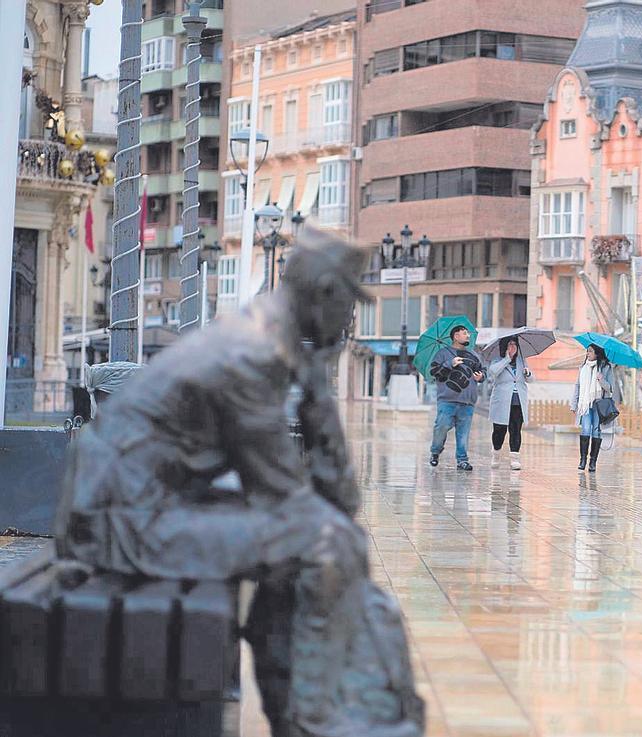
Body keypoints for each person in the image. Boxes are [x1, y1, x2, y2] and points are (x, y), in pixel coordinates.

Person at [55, 232, 424, 737]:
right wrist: (318, 397)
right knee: (329, 545)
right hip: (120, 522)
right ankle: (315, 714)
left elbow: (331, 498)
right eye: (347, 300)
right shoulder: (253, 354)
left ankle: (297, 700)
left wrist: (317, 394)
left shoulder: (264, 333)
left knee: (322, 537)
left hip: (136, 503)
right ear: (321, 292)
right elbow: (289, 496)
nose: (350, 318)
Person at [429, 325, 484, 470]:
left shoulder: (473, 355)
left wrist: (481, 376)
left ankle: (462, 460)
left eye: (468, 334)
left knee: (463, 433)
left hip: (467, 401)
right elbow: (434, 372)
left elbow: (482, 371)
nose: (468, 336)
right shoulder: (443, 354)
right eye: (464, 333)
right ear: (456, 336)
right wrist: (450, 364)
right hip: (447, 400)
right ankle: (435, 451)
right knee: (441, 427)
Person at [571, 344, 619, 472]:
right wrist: (574, 404)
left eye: (590, 351)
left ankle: (593, 462)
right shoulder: (583, 367)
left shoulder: (606, 368)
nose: (587, 354)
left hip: (599, 405)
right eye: (587, 351)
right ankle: (583, 460)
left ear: (597, 353)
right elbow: (578, 386)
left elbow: (610, 389)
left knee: (596, 431)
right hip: (585, 405)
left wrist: (601, 380)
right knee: (585, 429)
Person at [488, 337, 530, 470]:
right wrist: (507, 359)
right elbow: (493, 372)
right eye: (510, 344)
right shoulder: (497, 360)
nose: (513, 347)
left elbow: (532, 379)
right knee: (499, 431)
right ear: (504, 347)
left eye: (515, 344)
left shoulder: (522, 360)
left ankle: (515, 459)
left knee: (516, 429)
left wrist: (528, 373)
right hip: (502, 401)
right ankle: (496, 454)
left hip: (518, 401)